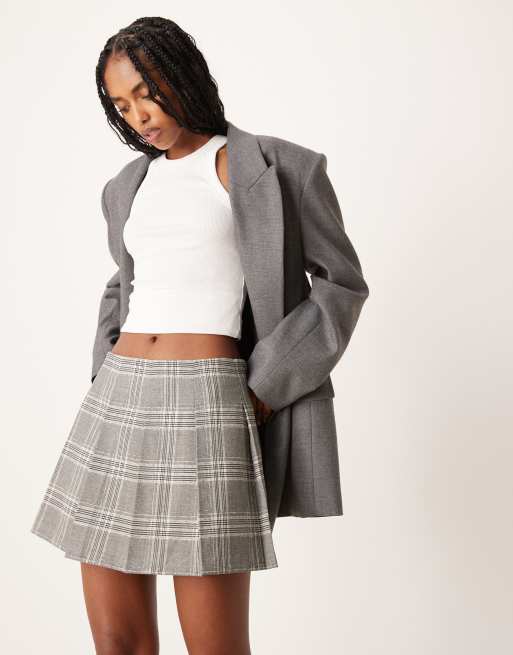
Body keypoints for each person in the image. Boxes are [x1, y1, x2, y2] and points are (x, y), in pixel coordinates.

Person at [30, 15, 369, 655]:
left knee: (215, 646)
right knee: (118, 641)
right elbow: (126, 280)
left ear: (182, 76)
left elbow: (341, 285)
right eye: (121, 104)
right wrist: (104, 366)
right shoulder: (126, 187)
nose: (138, 115)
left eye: (147, 92)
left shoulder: (279, 167)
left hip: (211, 399)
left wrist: (265, 386)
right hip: (117, 402)